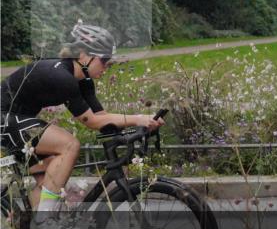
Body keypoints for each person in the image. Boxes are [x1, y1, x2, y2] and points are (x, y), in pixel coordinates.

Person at [0, 23, 164, 215]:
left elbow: (102, 118)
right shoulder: (63, 78)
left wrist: (142, 124)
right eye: (104, 60)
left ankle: (24, 224)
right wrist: (139, 119)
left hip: (17, 120)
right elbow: (92, 122)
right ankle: (43, 220)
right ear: (84, 56)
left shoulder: (83, 80)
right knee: (69, 145)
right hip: (5, 118)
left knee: (50, 178)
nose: (107, 65)